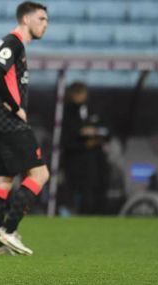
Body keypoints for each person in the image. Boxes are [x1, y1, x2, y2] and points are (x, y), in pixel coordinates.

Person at [0, 1, 50, 256]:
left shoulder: (11, 45)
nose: (45, 24)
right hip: (10, 123)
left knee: (2, 181)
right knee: (40, 175)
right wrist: (15, 107)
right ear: (26, 19)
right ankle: (8, 230)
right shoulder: (13, 43)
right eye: (41, 19)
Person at [60, 82, 111, 215]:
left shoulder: (95, 109)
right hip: (76, 164)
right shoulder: (65, 112)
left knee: (99, 193)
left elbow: (108, 131)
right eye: (76, 94)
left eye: (81, 93)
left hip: (97, 162)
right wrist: (83, 141)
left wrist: (96, 132)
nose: (79, 97)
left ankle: (100, 218)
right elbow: (65, 140)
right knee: (81, 196)